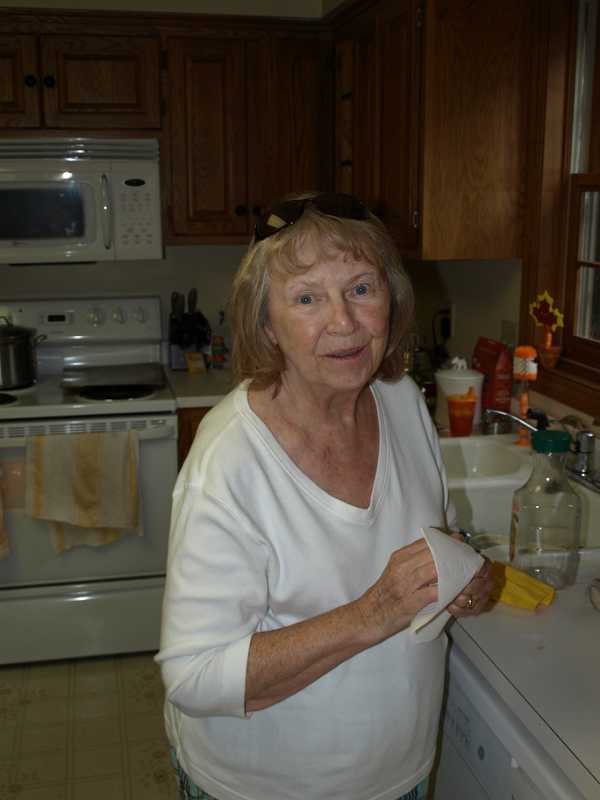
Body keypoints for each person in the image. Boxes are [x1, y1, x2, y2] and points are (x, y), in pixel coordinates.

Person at [156, 192, 494, 800]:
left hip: (402, 773)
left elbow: (434, 536)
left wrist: (462, 576)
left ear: (392, 299)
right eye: (307, 298)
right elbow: (194, 676)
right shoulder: (230, 459)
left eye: (362, 288)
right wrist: (372, 613)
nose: (344, 322)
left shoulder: (401, 400)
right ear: (267, 324)